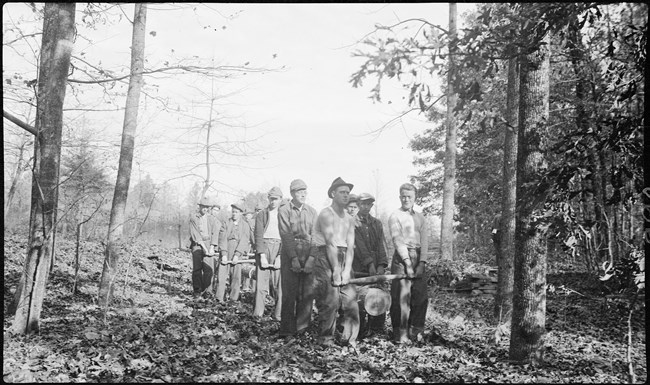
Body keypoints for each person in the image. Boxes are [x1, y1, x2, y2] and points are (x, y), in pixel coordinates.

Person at [311, 177, 359, 347]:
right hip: (326, 257)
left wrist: (346, 270)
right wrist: (337, 271)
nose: (346, 196)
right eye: (342, 192)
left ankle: (348, 339)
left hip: (345, 256)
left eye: (348, 193)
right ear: (333, 194)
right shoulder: (326, 213)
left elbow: (351, 247)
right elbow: (330, 243)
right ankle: (326, 340)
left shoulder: (349, 218)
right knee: (329, 301)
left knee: (350, 301)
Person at [388, 183, 429, 343]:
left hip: (418, 256)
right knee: (400, 298)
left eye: (409, 197)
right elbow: (397, 240)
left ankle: (416, 332)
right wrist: (407, 262)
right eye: (403, 196)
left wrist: (422, 262)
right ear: (400, 197)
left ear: (414, 198)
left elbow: (425, 240)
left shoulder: (420, 218)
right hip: (401, 258)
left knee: (420, 297)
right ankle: (400, 333)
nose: (406, 199)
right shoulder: (395, 215)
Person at [277, 179, 318, 339]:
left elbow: (317, 235)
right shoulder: (284, 210)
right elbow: (286, 235)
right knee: (289, 293)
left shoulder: (312, 211)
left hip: (308, 252)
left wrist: (312, 258)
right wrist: (293, 257)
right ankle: (287, 330)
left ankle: (302, 329)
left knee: (307, 293)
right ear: (292, 193)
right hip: (290, 253)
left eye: (304, 191)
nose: (303, 194)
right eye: (299, 191)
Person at [353, 192, 389, 338]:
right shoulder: (353, 223)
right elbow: (359, 246)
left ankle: (376, 330)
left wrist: (381, 264)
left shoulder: (377, 223)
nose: (366, 207)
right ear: (358, 205)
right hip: (359, 267)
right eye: (363, 204)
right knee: (360, 298)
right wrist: (369, 265)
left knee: (379, 296)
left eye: (368, 204)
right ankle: (360, 331)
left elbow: (381, 244)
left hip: (376, 265)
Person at [253, 186, 283, 320]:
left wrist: (280, 256)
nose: (273, 202)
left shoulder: (284, 214)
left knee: (279, 285)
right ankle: (258, 314)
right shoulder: (262, 214)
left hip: (279, 247)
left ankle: (278, 315)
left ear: (281, 200)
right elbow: (258, 235)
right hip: (264, 246)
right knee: (261, 284)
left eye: (276, 199)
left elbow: (288, 236)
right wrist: (262, 255)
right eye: (271, 199)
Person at [216, 201, 251, 302]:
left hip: (237, 250)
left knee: (236, 277)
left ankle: (233, 299)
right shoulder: (226, 223)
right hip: (226, 248)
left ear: (240, 213)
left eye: (236, 212)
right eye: (233, 212)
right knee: (221, 276)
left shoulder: (245, 225)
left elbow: (244, 240)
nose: (234, 214)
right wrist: (223, 254)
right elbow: (222, 239)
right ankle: (219, 298)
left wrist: (237, 254)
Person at [188, 196, 220, 298]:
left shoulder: (211, 219)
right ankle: (197, 290)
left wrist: (211, 247)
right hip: (197, 244)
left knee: (208, 269)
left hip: (208, 242)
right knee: (197, 268)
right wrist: (204, 248)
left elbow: (215, 233)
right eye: (203, 207)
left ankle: (207, 291)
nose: (205, 209)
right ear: (200, 206)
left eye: (207, 207)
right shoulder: (194, 217)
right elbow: (195, 234)